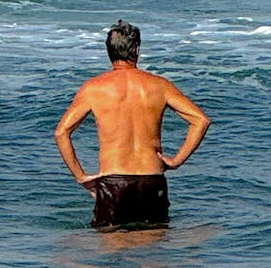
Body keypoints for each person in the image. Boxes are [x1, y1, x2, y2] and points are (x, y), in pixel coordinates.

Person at [55, 20, 211, 230]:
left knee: (111, 251)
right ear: (137, 50)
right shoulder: (159, 85)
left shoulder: (93, 88)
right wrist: (176, 161)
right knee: (153, 254)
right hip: (152, 179)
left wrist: (80, 176)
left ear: (108, 50)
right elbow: (201, 120)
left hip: (114, 181)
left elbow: (62, 132)